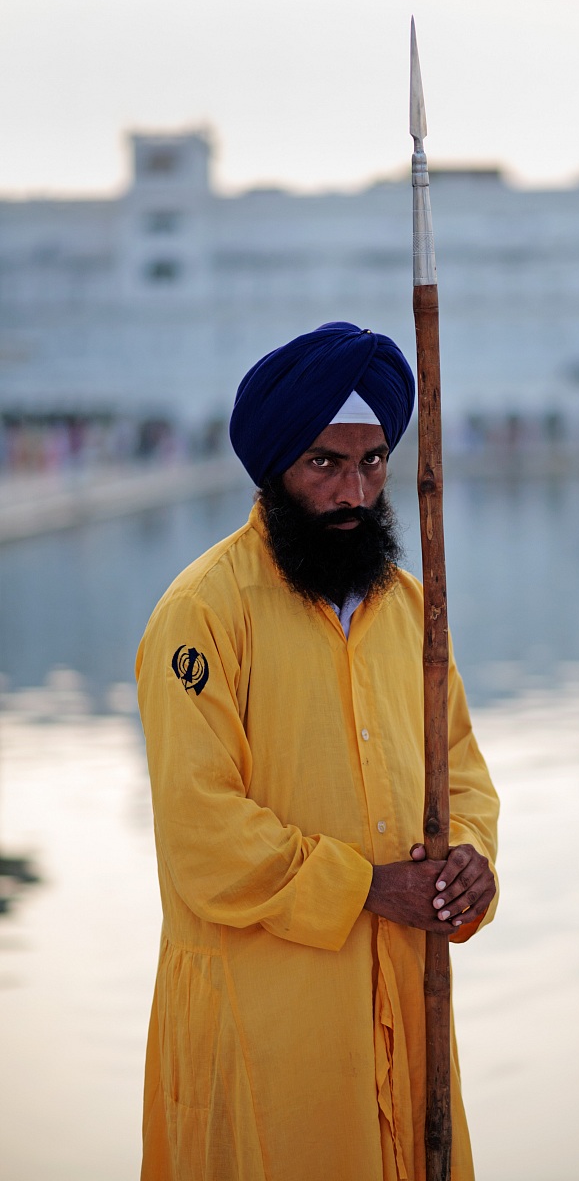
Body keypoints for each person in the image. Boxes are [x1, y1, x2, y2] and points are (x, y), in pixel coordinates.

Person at [136, 322, 499, 1181]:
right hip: (264, 1024)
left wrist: (472, 861)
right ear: (275, 470)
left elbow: (462, 768)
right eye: (325, 464)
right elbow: (202, 833)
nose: (354, 492)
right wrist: (371, 887)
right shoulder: (205, 612)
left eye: (372, 462)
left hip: (401, 1004)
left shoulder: (410, 608)